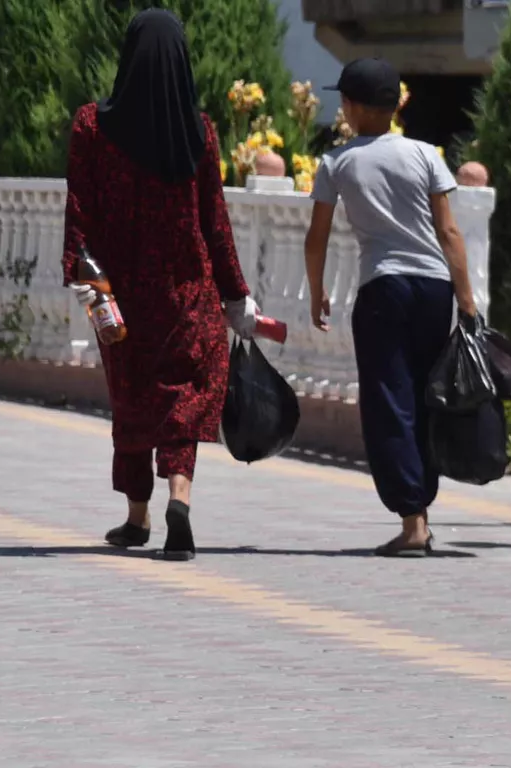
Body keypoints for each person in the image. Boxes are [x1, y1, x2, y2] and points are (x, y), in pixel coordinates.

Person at [65, 9, 259, 562]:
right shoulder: (199, 133)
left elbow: (79, 213)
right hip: (186, 293)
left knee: (131, 399)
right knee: (182, 398)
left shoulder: (91, 127)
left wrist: (85, 281)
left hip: (118, 292)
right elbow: (215, 222)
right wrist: (236, 293)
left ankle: (136, 517)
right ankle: (179, 499)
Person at [304, 57, 481, 557]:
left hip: (383, 288)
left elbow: (316, 238)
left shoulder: (336, 162)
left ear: (353, 106)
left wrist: (317, 290)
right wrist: (466, 299)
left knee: (390, 401)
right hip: (434, 288)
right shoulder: (425, 154)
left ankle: (412, 520)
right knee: (426, 396)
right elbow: (448, 231)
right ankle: (421, 511)